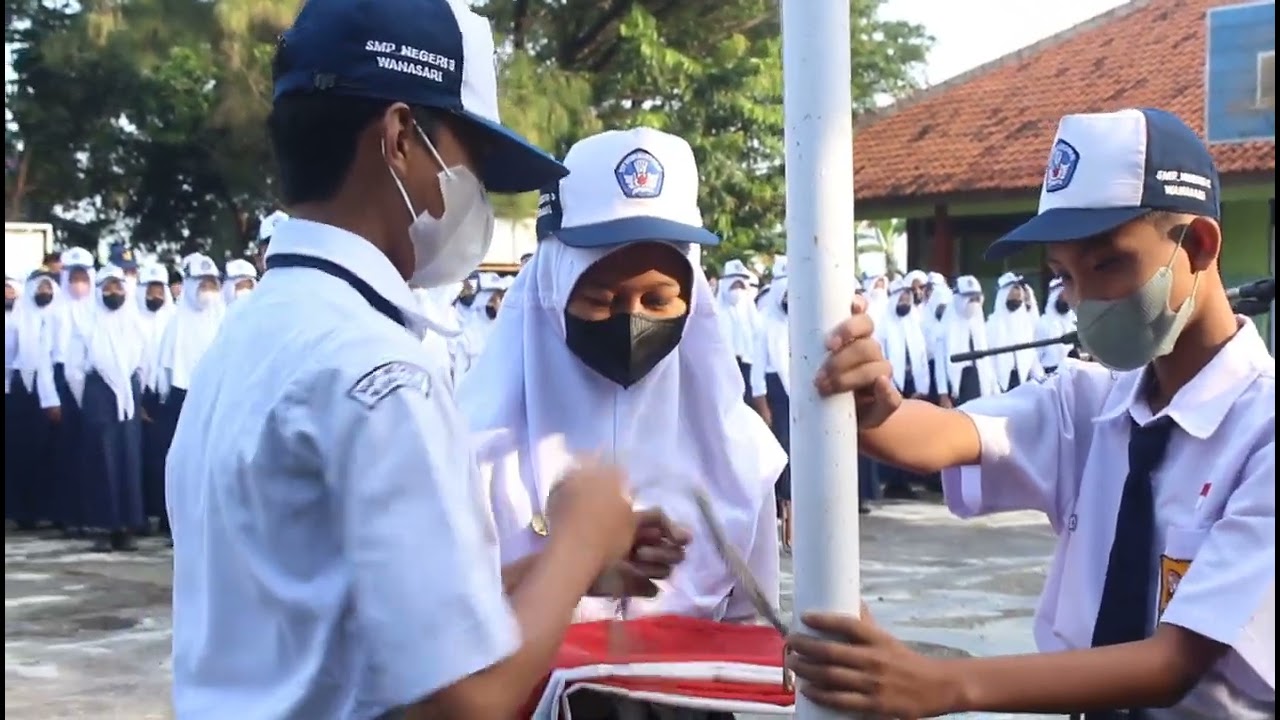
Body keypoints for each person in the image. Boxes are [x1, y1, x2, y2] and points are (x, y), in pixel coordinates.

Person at [165, 1, 671, 718]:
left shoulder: (254, 336)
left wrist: (565, 570)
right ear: (402, 138)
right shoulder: (378, 372)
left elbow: (335, 610)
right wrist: (581, 531)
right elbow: (464, 704)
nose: (478, 199)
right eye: (474, 161)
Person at [794, 108, 1274, 719]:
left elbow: (1170, 663)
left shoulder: (1262, 434)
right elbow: (947, 434)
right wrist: (870, 402)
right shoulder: (1091, 404)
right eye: (1064, 276)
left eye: (1106, 264)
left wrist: (945, 684)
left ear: (1199, 245)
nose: (1084, 300)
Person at [461, 126, 780, 621]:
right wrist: (569, 567)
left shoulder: (741, 455)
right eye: (601, 299)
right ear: (553, 294)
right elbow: (436, 625)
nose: (633, 322)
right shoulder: (474, 452)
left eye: (657, 301)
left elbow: (751, 628)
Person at [63, 266, 147, 552]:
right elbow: (74, 370)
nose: (114, 293)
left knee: (128, 460)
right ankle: (103, 527)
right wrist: (89, 400)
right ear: (99, 291)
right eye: (108, 288)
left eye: (118, 287)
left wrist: (133, 392)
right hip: (99, 395)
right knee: (101, 460)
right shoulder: (87, 323)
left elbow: (143, 362)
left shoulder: (133, 321)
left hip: (128, 396)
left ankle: (126, 527)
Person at [6, 272, 62, 529]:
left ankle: (48, 509)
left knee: (52, 452)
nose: (44, 293)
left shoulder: (60, 317)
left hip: (55, 390)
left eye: (48, 288)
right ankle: (22, 512)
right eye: (39, 288)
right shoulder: (17, 318)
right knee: (22, 452)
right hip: (23, 392)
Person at [135, 264, 174, 534]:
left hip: (165, 395)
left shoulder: (173, 318)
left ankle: (163, 514)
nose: (155, 295)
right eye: (150, 289)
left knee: (163, 457)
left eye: (160, 289)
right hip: (138, 394)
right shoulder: (131, 318)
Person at [942, 274, 999, 405]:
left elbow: (987, 361)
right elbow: (941, 363)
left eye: (975, 298)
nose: (972, 302)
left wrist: (994, 389)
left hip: (979, 380)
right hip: (958, 384)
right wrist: (943, 394)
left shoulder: (979, 323)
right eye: (968, 298)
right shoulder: (946, 325)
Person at [986, 270, 1043, 391]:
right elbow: (988, 363)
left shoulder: (1025, 324)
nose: (1017, 294)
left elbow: (1031, 356)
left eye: (1018, 290)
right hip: (999, 386)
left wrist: (1042, 380)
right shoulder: (992, 325)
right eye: (1013, 290)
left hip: (1023, 382)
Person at [717, 258, 763, 404]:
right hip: (725, 367)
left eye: (742, 286)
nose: (738, 290)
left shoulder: (748, 310)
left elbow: (757, 337)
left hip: (748, 365)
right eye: (734, 285)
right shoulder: (716, 312)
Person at [1036, 275, 1078, 374]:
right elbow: (1037, 355)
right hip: (1052, 372)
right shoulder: (1044, 323)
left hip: (1073, 370)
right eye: (1062, 296)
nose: (1066, 299)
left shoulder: (1073, 320)